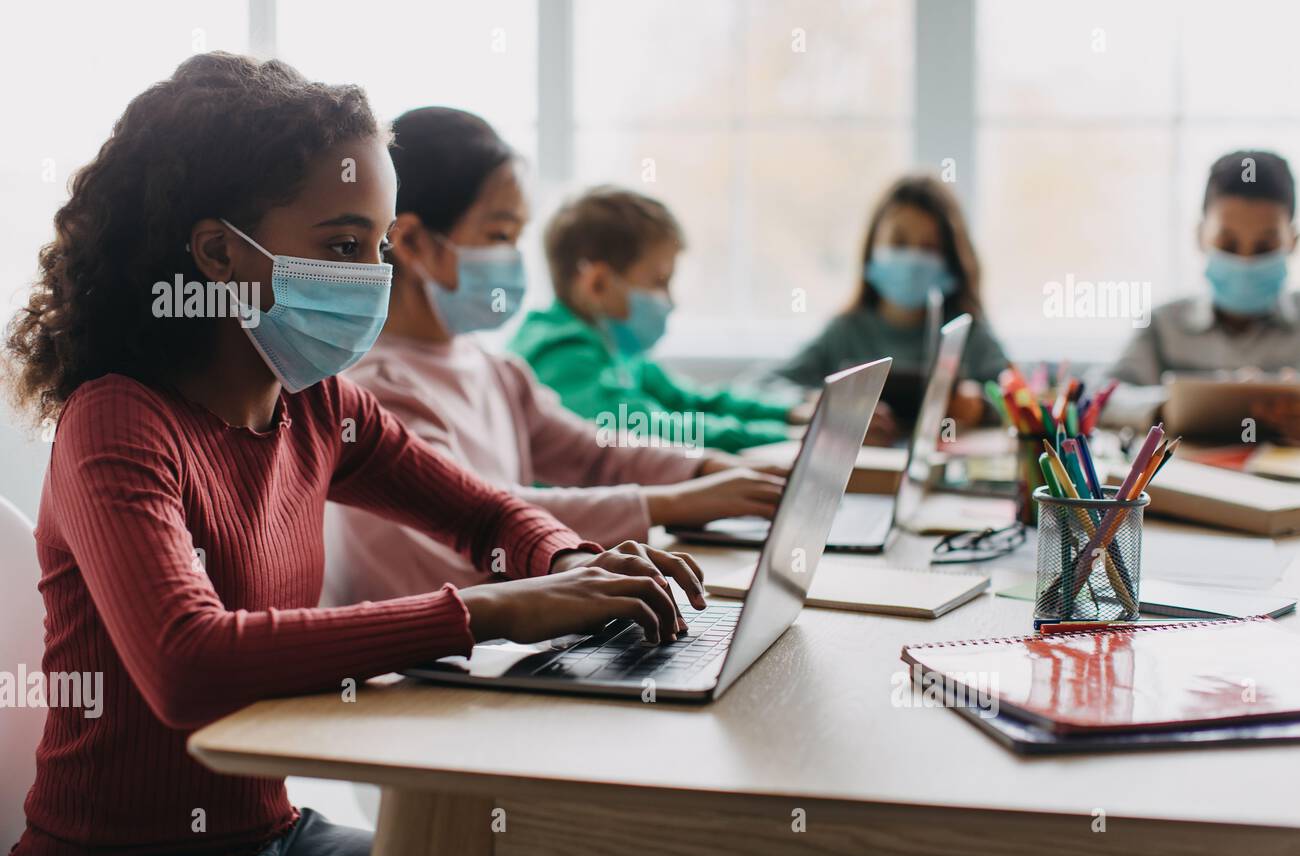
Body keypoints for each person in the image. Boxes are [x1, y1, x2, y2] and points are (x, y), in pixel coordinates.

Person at [2, 53, 704, 856]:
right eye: (342, 245)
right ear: (218, 256)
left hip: (272, 836)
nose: (372, 278)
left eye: (378, 247)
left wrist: (578, 569)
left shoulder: (319, 406)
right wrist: (497, 610)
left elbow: (484, 514)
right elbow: (186, 663)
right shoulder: (117, 422)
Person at [332, 109, 783, 603]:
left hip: (513, 634)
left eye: (519, 238)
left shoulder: (495, 369)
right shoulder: (375, 386)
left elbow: (594, 454)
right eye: (500, 235)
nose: (515, 258)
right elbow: (479, 509)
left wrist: (707, 468)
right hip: (434, 662)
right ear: (415, 241)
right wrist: (674, 502)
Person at [509, 187, 807, 453]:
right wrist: (782, 436)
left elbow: (689, 401)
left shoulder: (617, 350)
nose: (671, 301)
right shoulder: (561, 356)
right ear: (598, 283)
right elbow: (654, 431)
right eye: (659, 281)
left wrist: (791, 413)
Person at [771, 175, 1008, 443]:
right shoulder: (845, 331)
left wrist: (981, 405)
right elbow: (765, 387)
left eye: (929, 247)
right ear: (872, 248)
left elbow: (1020, 399)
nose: (913, 259)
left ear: (950, 260)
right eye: (899, 242)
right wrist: (820, 403)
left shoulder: (969, 334)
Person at [1107, 149, 1300, 435]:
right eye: (1227, 244)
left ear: (1292, 242)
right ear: (1201, 237)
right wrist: (1168, 408)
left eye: (1264, 248)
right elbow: (1101, 397)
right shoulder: (1163, 324)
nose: (1245, 262)